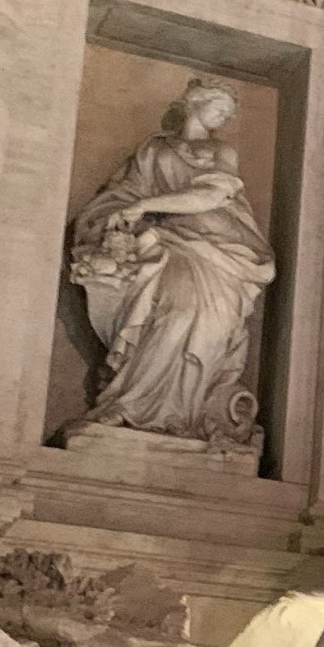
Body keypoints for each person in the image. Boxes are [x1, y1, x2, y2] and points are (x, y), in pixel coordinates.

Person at [67, 77, 274, 450]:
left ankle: (186, 416)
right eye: (219, 107)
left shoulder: (221, 151)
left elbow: (212, 194)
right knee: (175, 312)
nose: (224, 117)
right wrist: (122, 214)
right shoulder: (153, 150)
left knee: (211, 322)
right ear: (195, 102)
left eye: (229, 113)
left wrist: (146, 206)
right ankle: (132, 404)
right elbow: (124, 194)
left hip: (220, 251)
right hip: (168, 244)